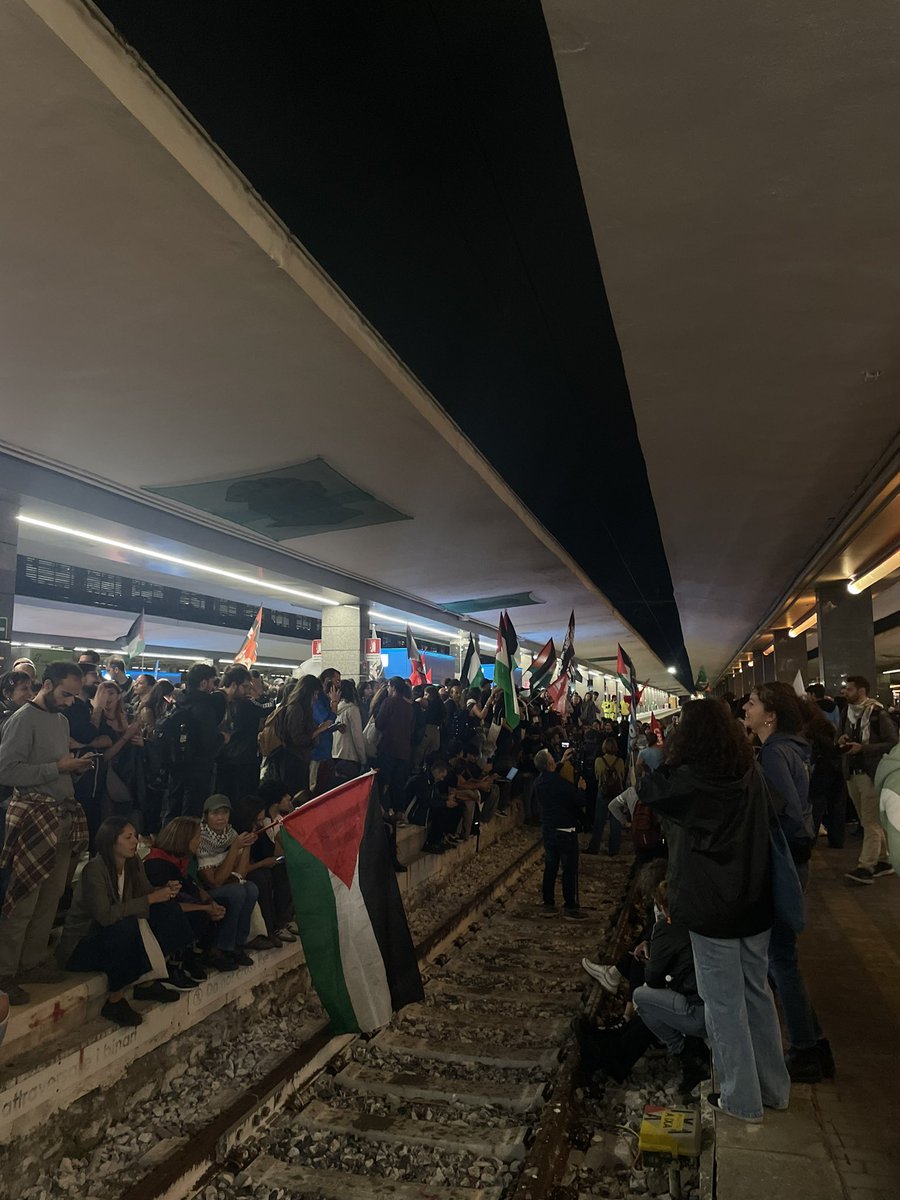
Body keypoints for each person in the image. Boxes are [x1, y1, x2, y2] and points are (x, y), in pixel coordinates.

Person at [638, 699, 790, 1123]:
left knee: (723, 1004)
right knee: (757, 995)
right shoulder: (749, 771)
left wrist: (667, 755)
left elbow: (651, 789)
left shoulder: (690, 779)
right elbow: (780, 809)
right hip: (755, 903)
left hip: (711, 910)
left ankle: (741, 1100)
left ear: (687, 736)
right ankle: (775, 1089)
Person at [744, 683, 830, 1085]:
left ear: (771, 716)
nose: (746, 707)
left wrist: (785, 854)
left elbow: (787, 815)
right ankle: (813, 1040)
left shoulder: (776, 753)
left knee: (781, 959)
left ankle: (805, 1051)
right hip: (795, 859)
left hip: (785, 862)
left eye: (753, 703)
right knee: (782, 958)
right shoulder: (793, 748)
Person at [0, 662, 94, 1004]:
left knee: (51, 896)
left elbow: (54, 767)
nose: (71, 701)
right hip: (33, 817)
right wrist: (60, 767)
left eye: (75, 695)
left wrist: (74, 769)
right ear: (48, 685)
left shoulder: (61, 719)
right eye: (66, 694)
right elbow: (6, 770)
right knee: (23, 898)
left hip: (61, 815)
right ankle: (5, 971)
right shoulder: (22, 720)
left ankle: (32, 961)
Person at [56, 816, 197, 1027]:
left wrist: (164, 890)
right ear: (111, 840)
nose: (134, 842)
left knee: (166, 910)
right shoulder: (95, 869)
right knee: (126, 926)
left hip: (113, 934)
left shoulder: (134, 863)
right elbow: (104, 915)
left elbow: (145, 893)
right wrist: (150, 898)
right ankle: (115, 1000)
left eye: (135, 836)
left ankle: (155, 976)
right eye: (128, 837)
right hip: (83, 942)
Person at [575, 880, 708, 1093]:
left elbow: (654, 977)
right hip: (706, 997)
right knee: (648, 994)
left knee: (645, 999)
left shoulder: (671, 925)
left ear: (664, 907)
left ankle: (618, 1052)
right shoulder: (698, 917)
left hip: (700, 1006)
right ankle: (615, 1044)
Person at [144, 816, 230, 972]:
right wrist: (205, 909)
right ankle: (176, 964)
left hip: (181, 903)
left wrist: (211, 903)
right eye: (197, 837)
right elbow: (169, 902)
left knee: (223, 903)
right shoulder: (157, 864)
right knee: (198, 915)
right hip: (162, 911)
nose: (200, 842)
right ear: (184, 838)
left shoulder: (180, 860)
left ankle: (204, 953)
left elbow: (192, 886)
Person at [839, 675, 898, 883]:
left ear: (862, 691)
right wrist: (843, 740)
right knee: (868, 820)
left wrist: (863, 748)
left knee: (870, 821)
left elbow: (892, 742)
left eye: (849, 689)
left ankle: (866, 866)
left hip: (870, 773)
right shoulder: (848, 713)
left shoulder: (877, 713)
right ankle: (883, 861)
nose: (845, 692)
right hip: (852, 773)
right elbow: (841, 734)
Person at [195, 795, 259, 966]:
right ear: (206, 816)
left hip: (228, 884)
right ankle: (222, 947)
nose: (221, 818)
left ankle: (238, 943)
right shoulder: (201, 839)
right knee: (237, 892)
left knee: (251, 888)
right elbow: (214, 882)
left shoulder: (231, 834)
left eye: (224, 813)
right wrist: (235, 849)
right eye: (215, 813)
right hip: (205, 890)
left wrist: (246, 846)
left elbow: (240, 875)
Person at [533, 747, 587, 920]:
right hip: (565, 829)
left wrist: (562, 761)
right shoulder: (561, 783)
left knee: (550, 867)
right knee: (569, 869)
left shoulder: (539, 782)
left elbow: (551, 773)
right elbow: (578, 800)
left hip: (548, 829)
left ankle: (548, 903)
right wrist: (581, 789)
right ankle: (570, 906)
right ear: (550, 763)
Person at [232, 795, 295, 947]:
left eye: (262, 819)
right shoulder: (236, 835)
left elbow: (272, 851)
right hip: (241, 874)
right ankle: (268, 929)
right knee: (261, 878)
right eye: (257, 820)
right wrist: (261, 863)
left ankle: (280, 922)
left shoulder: (261, 829)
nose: (261, 823)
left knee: (280, 870)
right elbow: (241, 871)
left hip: (260, 866)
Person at [168, 664, 226, 819]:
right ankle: (187, 841)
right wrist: (222, 738)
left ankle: (169, 839)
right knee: (192, 810)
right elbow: (208, 743)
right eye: (212, 682)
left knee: (174, 806)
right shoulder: (205, 708)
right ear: (204, 683)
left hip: (177, 764)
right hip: (198, 768)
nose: (214, 687)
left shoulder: (180, 701)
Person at [275, 675, 332, 796]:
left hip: (300, 758)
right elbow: (298, 739)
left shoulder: (302, 708)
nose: (316, 698)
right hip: (294, 760)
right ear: (307, 693)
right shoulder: (296, 709)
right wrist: (318, 730)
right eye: (315, 694)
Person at [215, 665, 263, 804]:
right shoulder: (245, 705)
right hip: (242, 759)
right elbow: (266, 708)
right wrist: (258, 694)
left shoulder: (221, 702)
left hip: (224, 759)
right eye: (246, 686)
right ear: (235, 685)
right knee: (242, 800)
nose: (248, 690)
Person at [376, 677, 416, 814]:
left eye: (388, 686)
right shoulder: (409, 707)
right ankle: (399, 813)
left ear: (392, 687)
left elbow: (379, 724)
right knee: (398, 783)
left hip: (388, 748)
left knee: (385, 782)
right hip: (404, 751)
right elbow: (412, 729)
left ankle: (384, 811)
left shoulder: (389, 702)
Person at [586, 737, 625, 856]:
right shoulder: (620, 761)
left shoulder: (599, 760)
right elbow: (622, 776)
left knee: (599, 821)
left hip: (602, 792)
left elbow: (597, 776)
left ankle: (594, 847)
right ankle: (614, 849)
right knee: (616, 821)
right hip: (617, 794)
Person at [310, 668, 342, 795]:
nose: (339, 684)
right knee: (314, 788)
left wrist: (335, 727)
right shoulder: (317, 700)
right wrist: (334, 703)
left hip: (325, 751)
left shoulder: (324, 698)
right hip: (316, 753)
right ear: (328, 680)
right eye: (337, 681)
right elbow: (325, 721)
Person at [332, 679, 367, 783]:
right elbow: (357, 736)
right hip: (350, 757)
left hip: (334, 755)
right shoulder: (352, 710)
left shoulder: (333, 709)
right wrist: (363, 759)